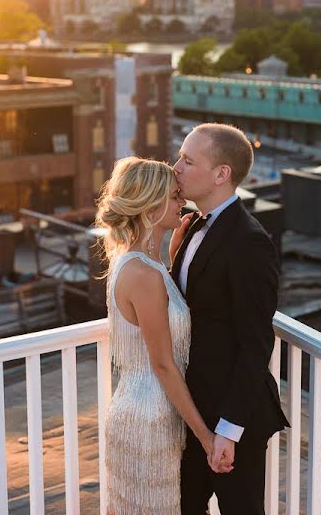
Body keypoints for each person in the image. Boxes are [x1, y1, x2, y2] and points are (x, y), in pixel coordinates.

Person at [96, 156, 229, 515]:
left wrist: (172, 256)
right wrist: (206, 436)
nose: (181, 202)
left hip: (146, 410)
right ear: (150, 204)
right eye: (173, 197)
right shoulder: (142, 274)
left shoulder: (139, 264)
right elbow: (163, 365)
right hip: (148, 420)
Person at [171, 123, 290, 515]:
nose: (176, 168)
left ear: (222, 174)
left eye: (188, 161)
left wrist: (228, 429)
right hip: (193, 412)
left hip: (233, 421)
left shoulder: (249, 242)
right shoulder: (192, 225)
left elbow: (256, 342)